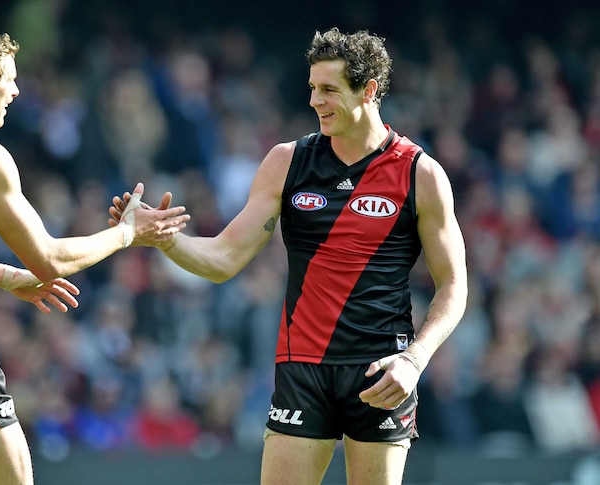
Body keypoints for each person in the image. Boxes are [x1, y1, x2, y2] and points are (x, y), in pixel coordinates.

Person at [110, 27, 468, 485]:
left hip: (381, 372)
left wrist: (415, 360)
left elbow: (454, 286)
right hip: (303, 371)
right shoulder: (288, 162)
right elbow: (223, 258)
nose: (316, 101)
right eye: (312, 89)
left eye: (329, 90)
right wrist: (162, 239)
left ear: (370, 90)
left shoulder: (421, 174)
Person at [0, 24, 189, 485]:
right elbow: (51, 259)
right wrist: (127, 234)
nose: (16, 90)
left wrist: (8, 278)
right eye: (10, 78)